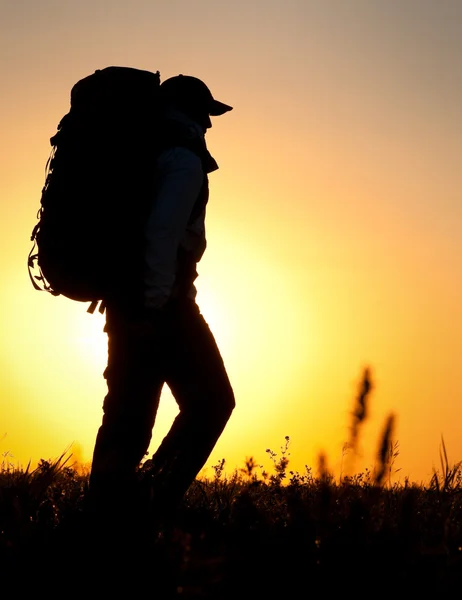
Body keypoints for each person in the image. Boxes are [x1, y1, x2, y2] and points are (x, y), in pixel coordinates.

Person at [88, 74, 235, 523]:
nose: (210, 126)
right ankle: (148, 507)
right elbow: (162, 234)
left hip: (123, 298)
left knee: (128, 416)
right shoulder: (183, 158)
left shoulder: (140, 152)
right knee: (211, 403)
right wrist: (154, 305)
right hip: (163, 304)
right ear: (193, 113)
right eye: (207, 115)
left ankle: (103, 518)